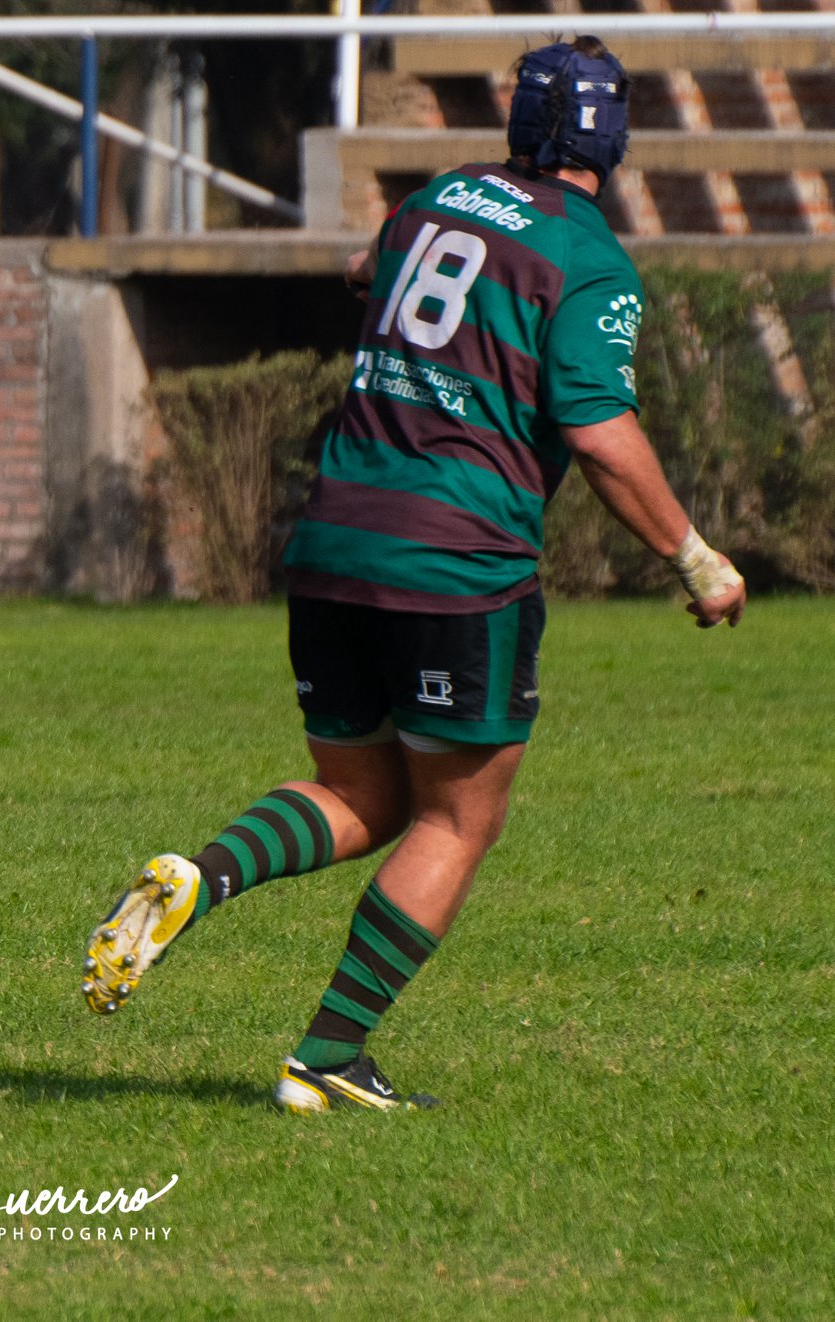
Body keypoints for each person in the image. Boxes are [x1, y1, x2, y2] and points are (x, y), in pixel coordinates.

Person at [79, 37, 746, 1112]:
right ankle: (325, 1053)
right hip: (456, 562)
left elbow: (366, 270)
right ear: (610, 139)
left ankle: (198, 878)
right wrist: (694, 556)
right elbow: (598, 429)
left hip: (334, 536)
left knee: (359, 790)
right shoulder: (586, 259)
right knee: (453, 819)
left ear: (519, 123)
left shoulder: (437, 196)